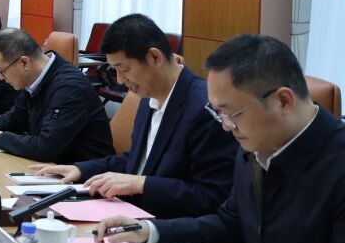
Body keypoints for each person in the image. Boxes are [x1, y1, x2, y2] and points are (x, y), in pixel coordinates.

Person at [95, 34, 345, 243]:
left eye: (232, 113)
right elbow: (230, 224)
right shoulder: (255, 145)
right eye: (220, 114)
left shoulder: (334, 162)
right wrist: (149, 231)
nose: (226, 127)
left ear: (283, 101)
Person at [29, 14, 233, 217]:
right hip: (129, 213)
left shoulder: (206, 109)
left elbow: (212, 196)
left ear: (155, 58)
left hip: (168, 225)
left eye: (124, 69)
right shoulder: (147, 97)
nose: (119, 80)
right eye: (114, 70)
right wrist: (81, 170)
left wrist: (142, 184)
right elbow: (138, 161)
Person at [0, 28, 113, 162]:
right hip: (53, 168)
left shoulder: (69, 88)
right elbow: (16, 117)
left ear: (24, 62)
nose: (0, 78)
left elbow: (45, 147)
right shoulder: (35, 77)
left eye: (1, 71)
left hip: (84, 178)